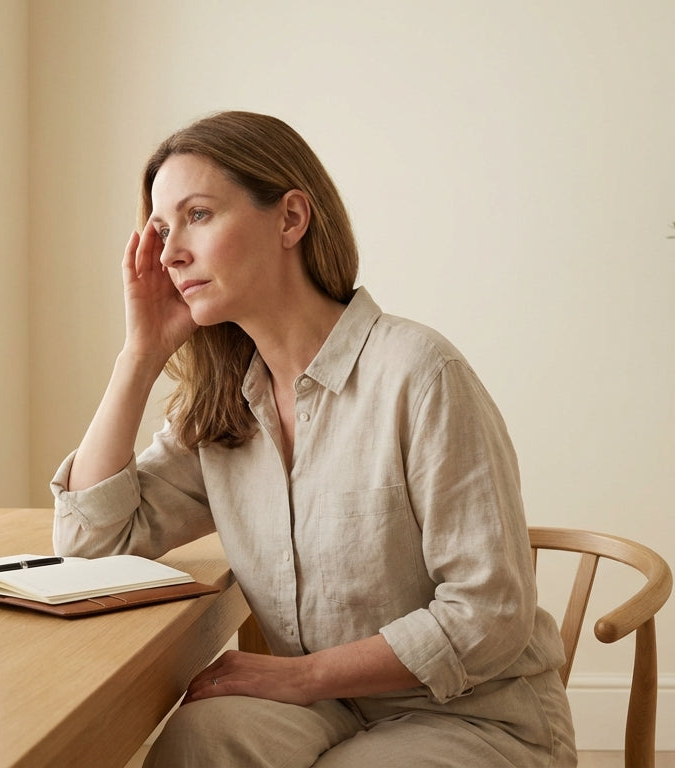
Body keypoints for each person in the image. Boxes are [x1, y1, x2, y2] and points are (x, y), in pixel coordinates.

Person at [50, 111, 576, 767]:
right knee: (198, 740)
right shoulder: (225, 407)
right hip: (331, 709)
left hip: (476, 716)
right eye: (161, 230)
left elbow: (489, 614)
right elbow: (90, 545)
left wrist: (302, 676)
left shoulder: (419, 374)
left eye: (198, 215)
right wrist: (139, 355)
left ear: (291, 219)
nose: (169, 253)